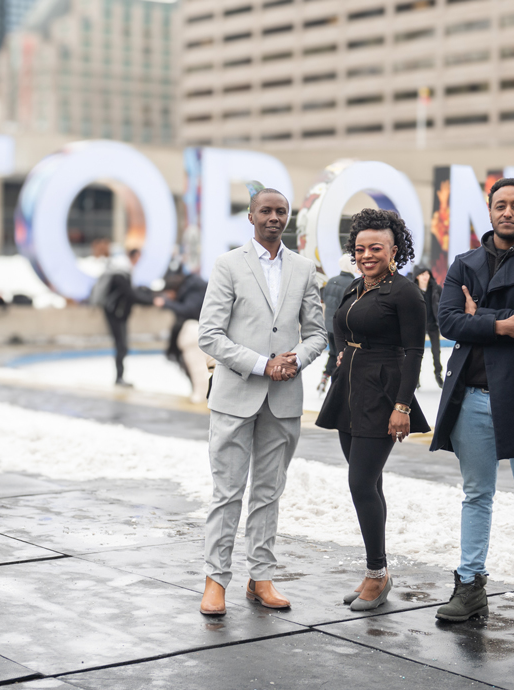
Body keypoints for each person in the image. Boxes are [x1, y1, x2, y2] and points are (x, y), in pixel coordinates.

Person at [430, 178, 514, 633]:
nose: (507, 212)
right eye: (500, 205)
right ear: (488, 211)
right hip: (471, 397)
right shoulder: (465, 263)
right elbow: (448, 321)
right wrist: (502, 323)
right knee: (476, 495)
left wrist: (479, 319)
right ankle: (469, 588)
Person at [197, 188, 327, 616]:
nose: (274, 217)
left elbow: (316, 334)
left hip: (284, 399)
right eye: (266, 211)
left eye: (281, 211)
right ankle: (215, 580)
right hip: (236, 396)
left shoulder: (305, 268)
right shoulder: (228, 265)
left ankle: (261, 578)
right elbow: (210, 335)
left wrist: (295, 360)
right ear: (251, 216)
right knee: (227, 492)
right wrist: (261, 365)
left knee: (269, 493)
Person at [316, 209, 430, 611]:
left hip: (383, 393)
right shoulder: (353, 287)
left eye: (376, 248)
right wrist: (341, 363)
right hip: (350, 390)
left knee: (361, 484)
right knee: (369, 482)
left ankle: (377, 575)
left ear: (394, 250)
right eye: (360, 248)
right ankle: (374, 571)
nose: (366, 255)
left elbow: (415, 351)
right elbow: (343, 333)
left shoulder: (404, 292)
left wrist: (402, 405)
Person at [101, 248, 156, 387]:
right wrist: (151, 301)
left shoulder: (124, 272)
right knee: (121, 346)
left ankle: (120, 377)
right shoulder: (121, 274)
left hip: (119, 314)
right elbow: (130, 295)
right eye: (137, 258)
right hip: (116, 314)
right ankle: (119, 378)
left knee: (122, 346)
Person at [155, 268, 210, 404]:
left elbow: (189, 310)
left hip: (199, 334)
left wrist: (167, 304)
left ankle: (201, 396)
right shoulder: (191, 287)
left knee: (200, 369)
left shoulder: (194, 289)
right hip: (198, 333)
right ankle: (201, 393)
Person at [318, 254, 356, 391]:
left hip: (329, 325)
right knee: (342, 356)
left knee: (333, 353)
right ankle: (337, 383)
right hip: (342, 327)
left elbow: (325, 300)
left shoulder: (331, 281)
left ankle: (325, 375)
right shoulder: (352, 284)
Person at [412, 265, 444, 387]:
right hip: (418, 326)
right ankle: (416, 378)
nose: (425, 277)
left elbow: (442, 304)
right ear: (417, 276)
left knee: (436, 351)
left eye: (427, 274)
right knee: (416, 352)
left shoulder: (436, 288)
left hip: (433, 324)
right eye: (422, 274)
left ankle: (438, 375)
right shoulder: (412, 289)